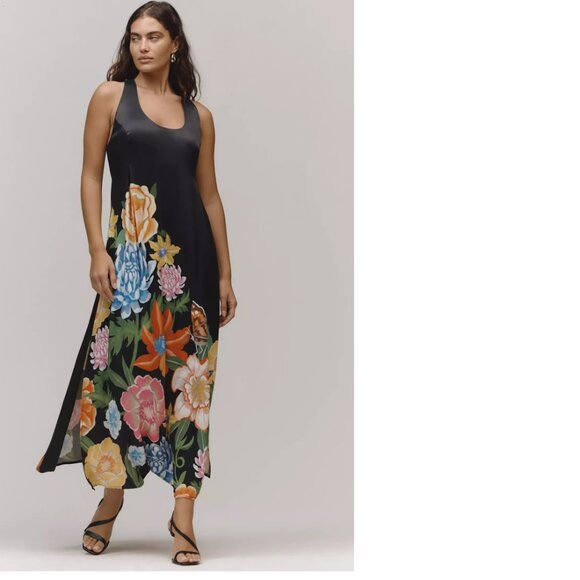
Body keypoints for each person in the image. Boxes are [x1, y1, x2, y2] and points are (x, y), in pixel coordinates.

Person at [35, 0, 237, 566]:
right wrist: (96, 248)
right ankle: (112, 498)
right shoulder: (110, 97)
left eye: (153, 37)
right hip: (130, 270)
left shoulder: (200, 117)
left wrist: (225, 272)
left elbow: (210, 197)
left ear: (175, 44)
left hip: (191, 270)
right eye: (134, 37)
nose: (142, 46)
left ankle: (184, 517)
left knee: (191, 388)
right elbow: (89, 175)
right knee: (116, 382)